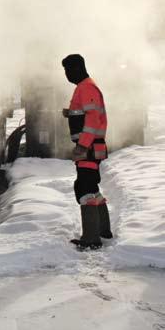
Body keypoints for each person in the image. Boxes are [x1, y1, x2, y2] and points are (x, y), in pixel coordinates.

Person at [62, 53, 112, 249]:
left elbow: (92, 120)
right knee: (91, 187)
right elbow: (86, 114)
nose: (66, 75)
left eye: (67, 70)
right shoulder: (85, 87)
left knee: (85, 188)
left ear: (77, 68)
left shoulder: (86, 88)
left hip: (89, 147)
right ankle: (103, 230)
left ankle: (91, 237)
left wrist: (82, 145)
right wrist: (71, 114)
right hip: (92, 146)